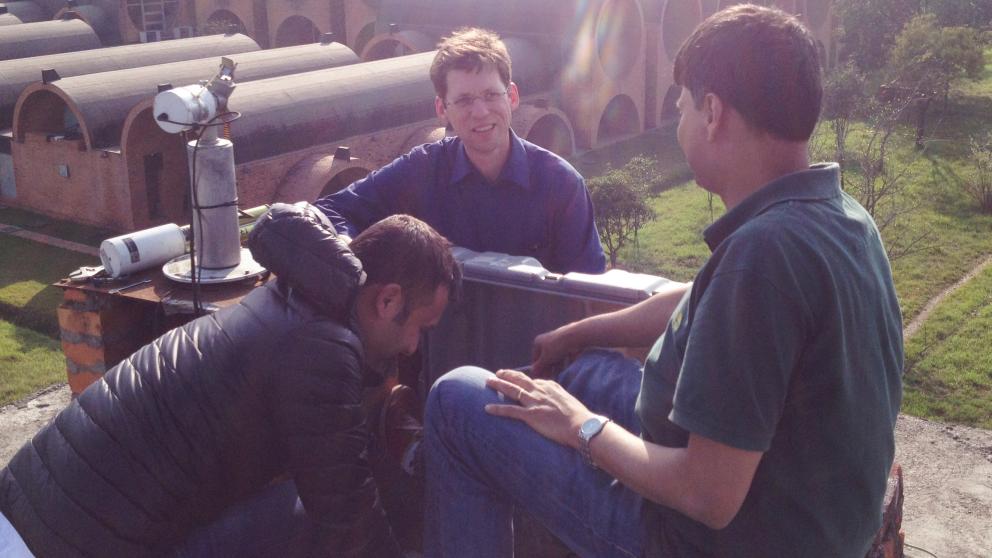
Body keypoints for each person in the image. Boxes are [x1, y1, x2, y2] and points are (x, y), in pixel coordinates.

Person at [424, 5, 904, 558]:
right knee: (579, 370)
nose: (677, 126)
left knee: (458, 398)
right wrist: (579, 335)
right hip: (806, 508)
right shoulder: (835, 215)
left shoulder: (764, 258)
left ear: (712, 113)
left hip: (703, 539)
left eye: (679, 107)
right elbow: (701, 294)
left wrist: (582, 426)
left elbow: (708, 496)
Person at [0, 204, 460, 558]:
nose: (415, 346)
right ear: (387, 300)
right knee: (301, 513)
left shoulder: (292, 298)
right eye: (421, 325)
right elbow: (348, 515)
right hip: (68, 546)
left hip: (27, 512)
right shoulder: (321, 347)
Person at [315, 27, 606, 276]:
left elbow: (590, 293)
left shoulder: (561, 185)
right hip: (440, 337)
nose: (480, 112)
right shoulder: (422, 170)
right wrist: (348, 251)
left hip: (533, 337)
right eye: (464, 100)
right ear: (442, 109)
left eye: (491, 95)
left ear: (512, 97)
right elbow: (330, 211)